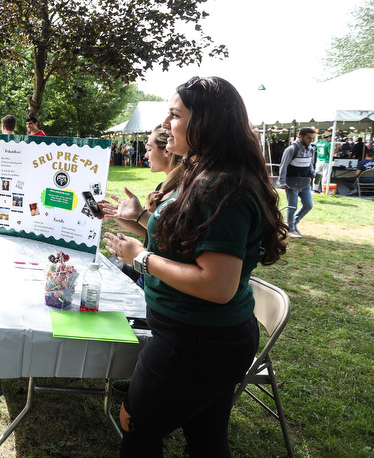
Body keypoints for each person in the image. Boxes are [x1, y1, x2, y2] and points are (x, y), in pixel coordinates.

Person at [104, 76, 288, 457]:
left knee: (135, 426)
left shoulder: (220, 185)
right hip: (205, 338)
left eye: (174, 114)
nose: (166, 123)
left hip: (196, 341)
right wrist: (139, 220)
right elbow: (190, 244)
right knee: (205, 440)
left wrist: (140, 257)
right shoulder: (207, 172)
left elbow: (216, 285)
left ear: (204, 122)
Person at [279, 127, 316, 238]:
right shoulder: (291, 149)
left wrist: (313, 172)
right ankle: (290, 229)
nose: (310, 140)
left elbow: (310, 163)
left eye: (312, 138)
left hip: (305, 182)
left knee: (308, 205)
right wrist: (282, 182)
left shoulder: (311, 149)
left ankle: (293, 224)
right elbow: (283, 166)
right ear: (300, 136)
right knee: (292, 206)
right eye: (308, 138)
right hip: (291, 182)